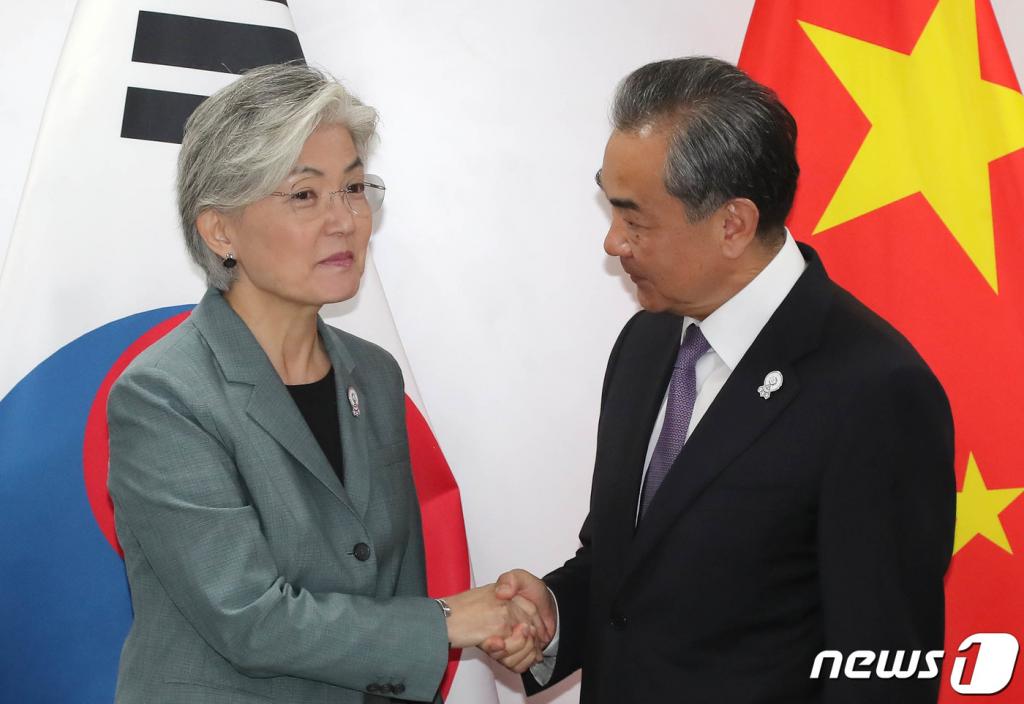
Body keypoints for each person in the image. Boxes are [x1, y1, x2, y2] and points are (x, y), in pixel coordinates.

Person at [483, 57, 956, 703]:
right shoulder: (646, 343)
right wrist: (553, 613)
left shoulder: (874, 390)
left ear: (732, 224)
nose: (613, 243)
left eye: (635, 219)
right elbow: (629, 571)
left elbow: (882, 669)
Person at [106, 63, 542, 704]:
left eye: (354, 188)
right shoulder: (163, 396)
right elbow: (250, 620)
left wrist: (495, 623)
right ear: (220, 230)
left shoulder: (373, 373)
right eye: (304, 195)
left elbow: (394, 585)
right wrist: (449, 622)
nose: (345, 220)